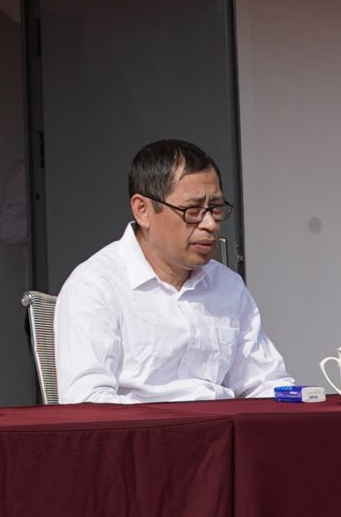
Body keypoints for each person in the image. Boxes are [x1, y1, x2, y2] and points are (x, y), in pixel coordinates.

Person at [53, 138, 290, 403]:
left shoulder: (227, 285)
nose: (210, 224)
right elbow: (86, 402)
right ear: (142, 210)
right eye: (193, 211)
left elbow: (267, 383)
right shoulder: (96, 286)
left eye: (215, 209)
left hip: (220, 424)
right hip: (142, 428)